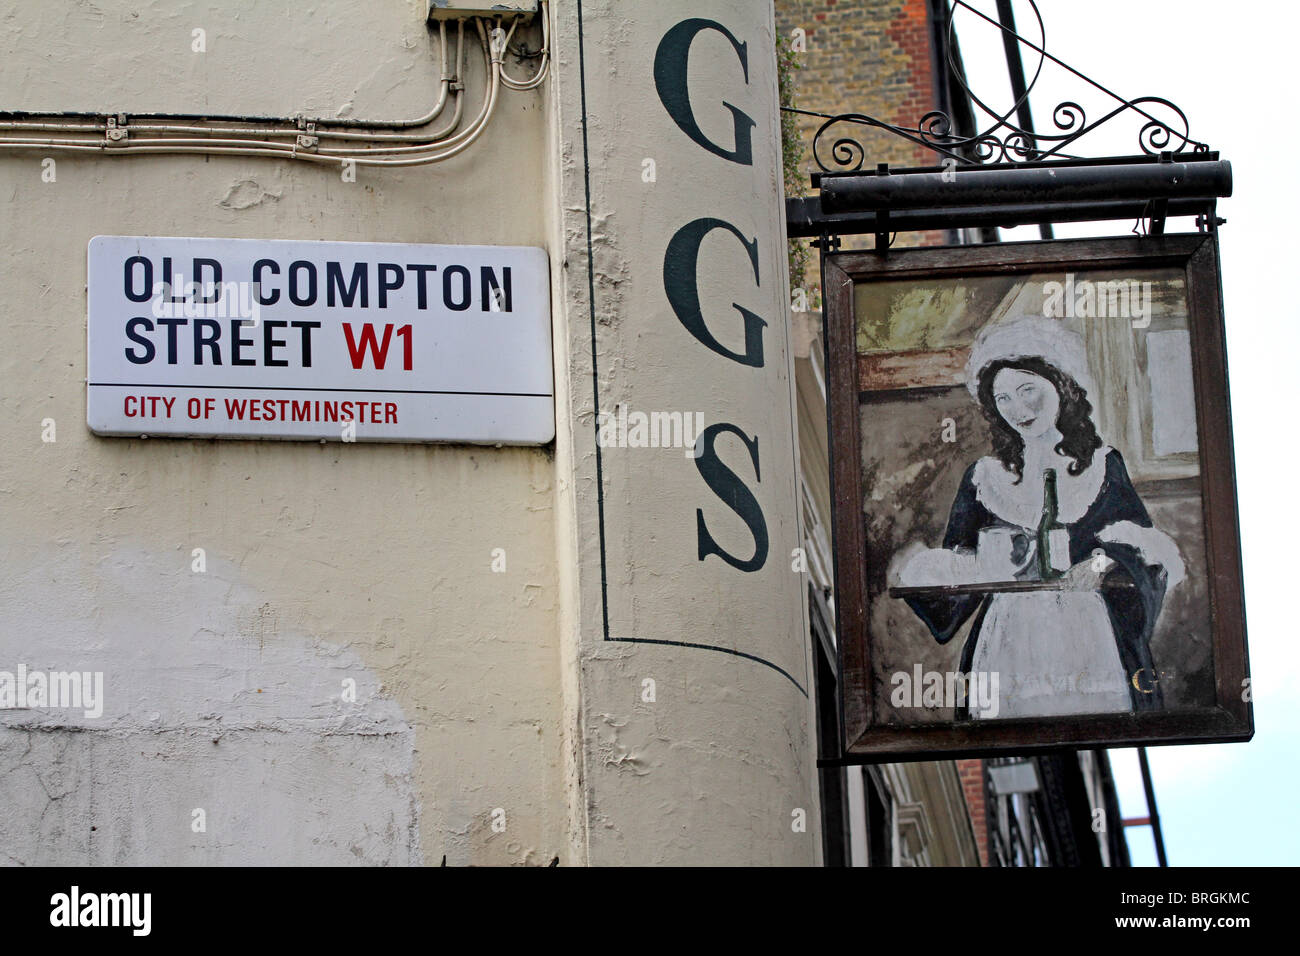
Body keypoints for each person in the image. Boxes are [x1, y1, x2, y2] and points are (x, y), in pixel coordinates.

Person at [895, 317, 1184, 719]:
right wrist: (969, 568)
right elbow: (956, 574)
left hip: (1089, 635)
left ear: (1060, 387)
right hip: (1008, 637)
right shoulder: (985, 478)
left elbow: (1143, 552)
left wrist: (1102, 563)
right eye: (1004, 399)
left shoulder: (1102, 466)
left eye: (1027, 390)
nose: (1019, 409)